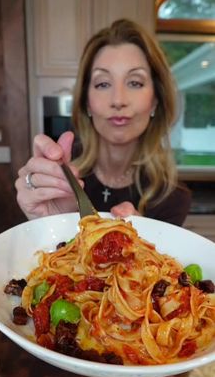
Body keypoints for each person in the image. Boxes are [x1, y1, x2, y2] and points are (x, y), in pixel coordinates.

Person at [15, 19, 191, 226]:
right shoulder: (59, 176)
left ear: (155, 101)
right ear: (86, 102)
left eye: (135, 82)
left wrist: (146, 245)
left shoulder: (173, 197)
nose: (118, 100)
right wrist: (49, 224)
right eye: (103, 84)